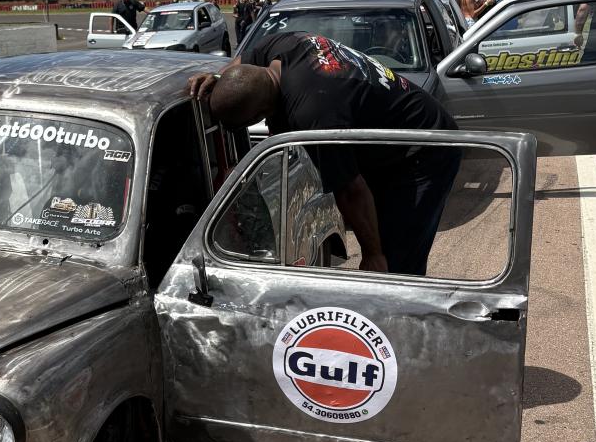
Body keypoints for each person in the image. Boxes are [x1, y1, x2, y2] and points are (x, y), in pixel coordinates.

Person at [188, 32, 459, 276]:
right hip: (387, 139)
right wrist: (220, 77)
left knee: (397, 261)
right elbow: (239, 67)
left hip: (425, 148)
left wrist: (372, 254)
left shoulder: (315, 113)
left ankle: (404, 317)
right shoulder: (281, 44)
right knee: (383, 235)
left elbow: (351, 190)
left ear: (261, 114)